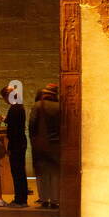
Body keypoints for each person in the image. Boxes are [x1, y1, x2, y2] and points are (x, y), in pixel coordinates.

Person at [29, 82, 62, 210]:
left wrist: (33, 140)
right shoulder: (60, 107)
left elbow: (32, 125)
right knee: (54, 173)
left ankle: (44, 199)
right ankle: (55, 200)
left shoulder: (38, 106)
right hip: (56, 144)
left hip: (41, 145)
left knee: (42, 173)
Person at [1, 83, 29, 207]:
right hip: (21, 142)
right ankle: (22, 198)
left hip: (16, 144)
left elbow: (13, 130)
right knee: (20, 172)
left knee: (17, 172)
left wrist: (9, 147)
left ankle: (19, 199)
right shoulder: (19, 107)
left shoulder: (14, 108)